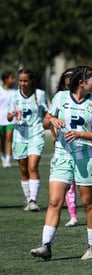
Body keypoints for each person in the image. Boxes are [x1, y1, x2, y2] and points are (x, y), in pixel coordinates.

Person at [30, 65, 92, 260]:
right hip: (62, 156)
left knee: (88, 203)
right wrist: (52, 121)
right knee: (55, 201)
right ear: (81, 83)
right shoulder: (60, 98)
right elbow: (45, 121)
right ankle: (46, 245)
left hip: (86, 158)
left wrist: (81, 134)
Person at [7, 69, 48, 211]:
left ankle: (33, 200)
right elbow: (8, 117)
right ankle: (28, 199)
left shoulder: (40, 94)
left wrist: (52, 129)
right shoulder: (14, 96)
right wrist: (12, 115)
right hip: (19, 136)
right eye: (20, 80)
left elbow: (47, 113)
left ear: (31, 81)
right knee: (24, 170)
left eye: (26, 81)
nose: (23, 83)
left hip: (36, 134)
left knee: (32, 166)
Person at [54, 68, 80, 227]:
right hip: (65, 147)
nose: (69, 83)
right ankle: (73, 216)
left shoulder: (91, 98)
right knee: (69, 183)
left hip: (84, 148)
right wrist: (53, 132)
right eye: (67, 80)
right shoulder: (60, 97)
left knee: (83, 186)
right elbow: (50, 118)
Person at [0, 71, 16, 168]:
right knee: (2, 141)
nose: (13, 80)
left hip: (10, 119)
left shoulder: (15, 91)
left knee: (9, 138)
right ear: (6, 80)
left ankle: (8, 160)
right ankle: (3, 156)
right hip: (0, 120)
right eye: (11, 78)